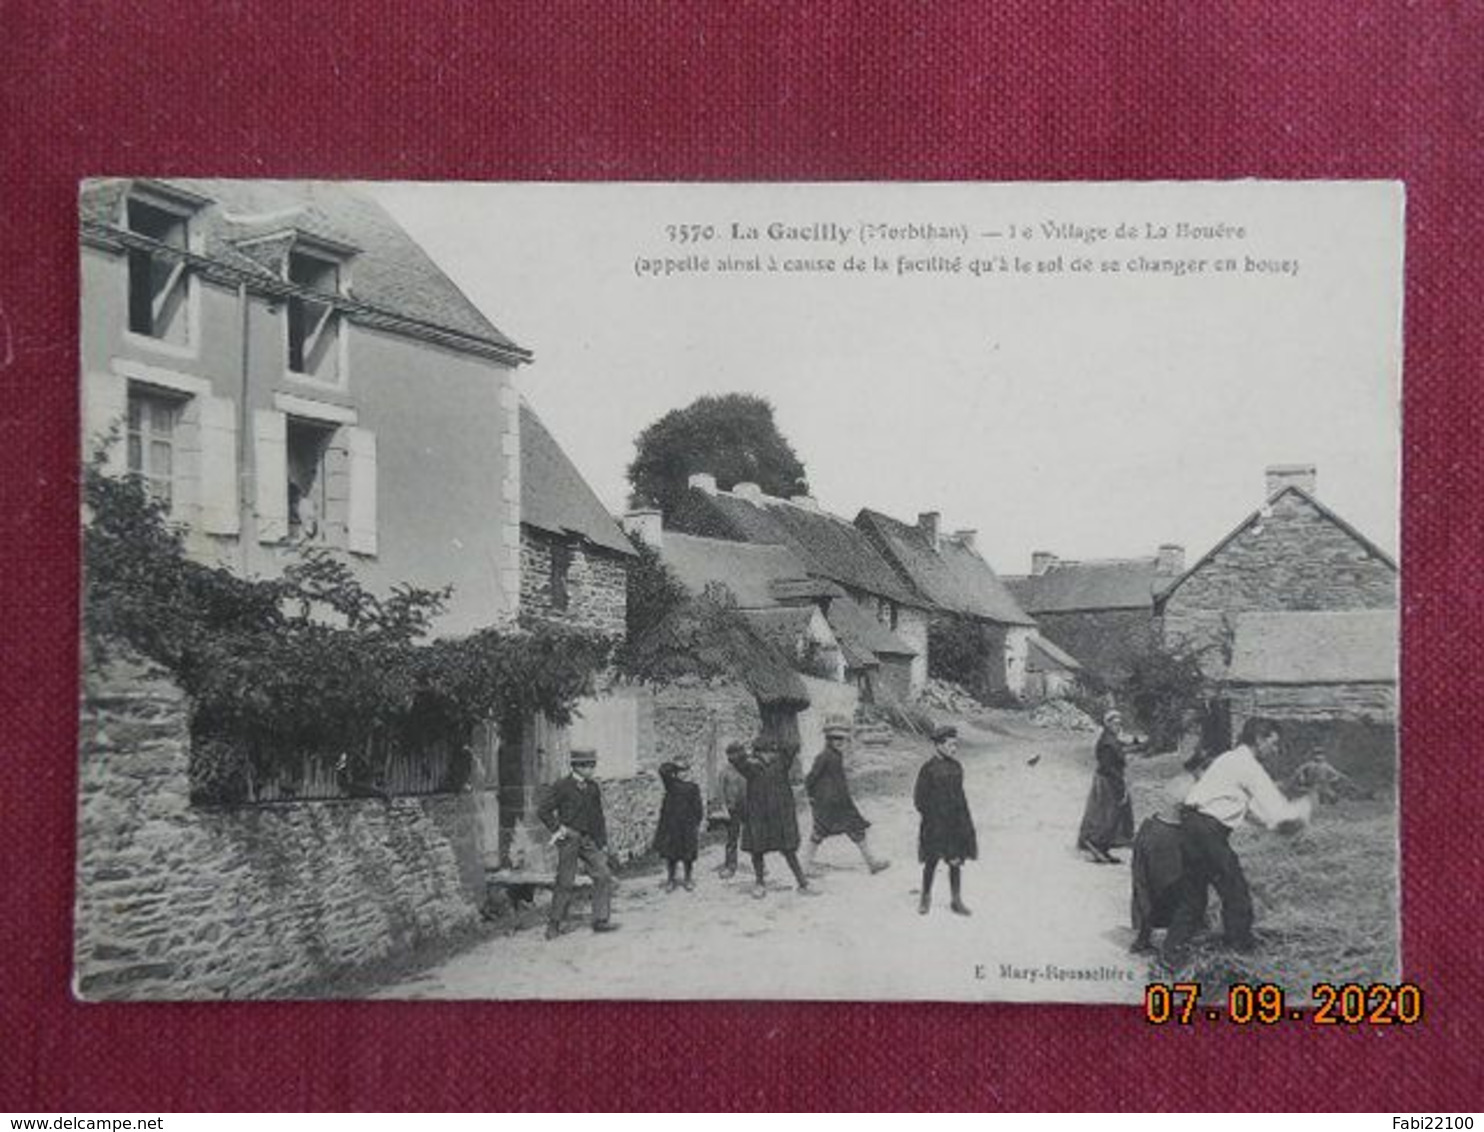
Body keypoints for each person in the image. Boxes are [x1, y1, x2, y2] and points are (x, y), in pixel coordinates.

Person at [1162, 717, 1314, 959]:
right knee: (1237, 895)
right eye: (1273, 744)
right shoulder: (1248, 765)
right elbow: (1277, 809)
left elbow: (1253, 810)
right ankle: (1239, 955)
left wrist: (1273, 824)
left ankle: (1168, 956)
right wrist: (1303, 810)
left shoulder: (1228, 759)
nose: (1275, 751)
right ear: (1259, 739)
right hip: (1208, 832)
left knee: (1193, 898)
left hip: (1190, 826)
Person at [537, 748, 619, 939]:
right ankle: (554, 923)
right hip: (569, 838)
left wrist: (603, 842)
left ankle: (600, 920)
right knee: (565, 880)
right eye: (587, 765)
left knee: (603, 874)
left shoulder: (593, 788)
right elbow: (543, 811)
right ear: (576, 766)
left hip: (589, 839)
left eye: (593, 765)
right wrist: (558, 829)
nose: (591, 769)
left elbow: (598, 817)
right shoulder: (562, 786)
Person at [731, 735, 818, 899]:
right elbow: (734, 757)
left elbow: (792, 746)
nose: (773, 754)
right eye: (770, 752)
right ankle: (759, 883)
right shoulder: (750, 768)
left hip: (779, 816)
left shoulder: (781, 764)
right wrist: (742, 748)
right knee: (757, 851)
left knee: (789, 850)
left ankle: (803, 883)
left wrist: (778, 729)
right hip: (759, 816)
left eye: (774, 751)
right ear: (759, 753)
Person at [803, 714, 890, 875]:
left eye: (842, 739)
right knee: (820, 833)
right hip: (830, 804)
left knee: (851, 830)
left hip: (839, 802)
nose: (839, 742)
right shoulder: (824, 757)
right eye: (835, 739)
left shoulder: (835, 756)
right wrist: (812, 796)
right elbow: (811, 778)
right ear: (828, 740)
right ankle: (805, 867)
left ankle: (871, 863)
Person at [914, 724, 977, 916]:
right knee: (931, 862)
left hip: (955, 825)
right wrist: (932, 816)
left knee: (955, 862)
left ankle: (956, 900)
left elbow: (960, 797)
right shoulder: (928, 769)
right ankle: (925, 898)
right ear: (939, 745)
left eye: (955, 745)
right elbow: (919, 799)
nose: (954, 749)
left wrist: (964, 822)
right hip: (935, 825)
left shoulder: (957, 767)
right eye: (950, 745)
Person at [1077, 709, 1137, 864]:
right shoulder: (1107, 743)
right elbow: (1108, 766)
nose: (1118, 726)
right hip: (1108, 782)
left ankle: (1103, 848)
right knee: (1108, 815)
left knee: (1113, 815)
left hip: (1109, 779)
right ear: (1107, 724)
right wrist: (1121, 785)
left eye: (1119, 723)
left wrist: (1134, 745)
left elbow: (1120, 747)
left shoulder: (1110, 738)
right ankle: (1097, 845)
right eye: (1115, 723)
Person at [653, 758, 704, 891]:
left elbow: (698, 807)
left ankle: (688, 878)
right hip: (672, 824)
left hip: (687, 825)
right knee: (671, 854)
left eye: (685, 771)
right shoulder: (671, 785)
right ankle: (671, 879)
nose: (683, 774)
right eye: (679, 771)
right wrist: (672, 766)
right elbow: (662, 770)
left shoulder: (693, 787)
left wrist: (696, 822)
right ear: (675, 773)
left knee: (688, 855)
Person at [717, 742, 749, 879]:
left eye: (739, 753)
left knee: (754, 836)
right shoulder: (725, 772)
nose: (736, 757)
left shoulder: (747, 769)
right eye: (732, 754)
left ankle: (760, 864)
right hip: (732, 810)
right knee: (732, 838)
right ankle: (730, 866)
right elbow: (720, 792)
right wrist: (723, 807)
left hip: (748, 807)